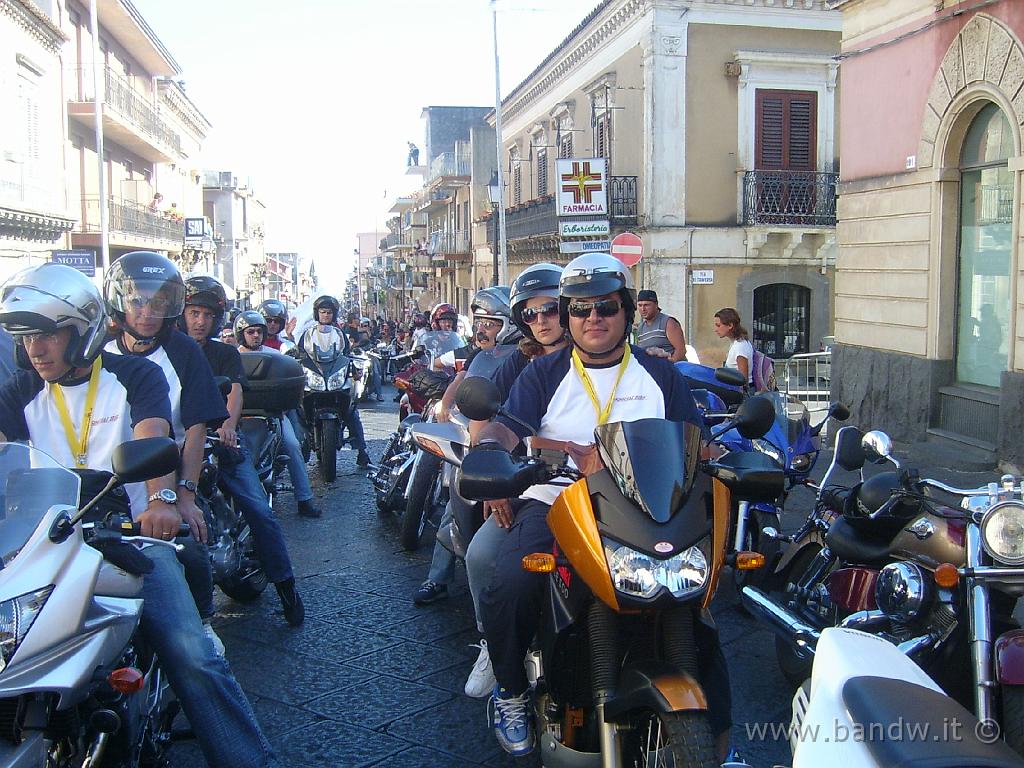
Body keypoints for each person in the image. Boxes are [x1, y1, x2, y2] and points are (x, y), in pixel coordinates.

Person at [0, 263, 280, 768]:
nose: (34, 350)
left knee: (193, 656)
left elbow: (152, 435)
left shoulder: (134, 374)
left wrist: (162, 501)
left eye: (45, 336)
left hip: (122, 539)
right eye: (25, 338)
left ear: (80, 332)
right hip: (39, 548)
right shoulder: (18, 391)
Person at [471, 253, 725, 758]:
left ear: (627, 312)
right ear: (567, 316)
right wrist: (492, 453)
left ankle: (720, 739)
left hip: (651, 511)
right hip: (558, 501)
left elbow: (699, 439)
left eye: (606, 307)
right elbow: (506, 427)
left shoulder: (661, 375)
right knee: (512, 580)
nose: (594, 319)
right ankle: (512, 689)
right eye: (580, 309)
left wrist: (725, 460)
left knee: (700, 609)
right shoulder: (543, 374)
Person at [461, 263, 569, 700]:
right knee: (483, 555)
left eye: (550, 309)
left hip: (601, 485)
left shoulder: (606, 357)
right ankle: (494, 642)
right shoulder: (518, 362)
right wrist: (497, 480)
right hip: (528, 482)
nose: (540, 320)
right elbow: (484, 419)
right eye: (530, 313)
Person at [412, 286, 516, 608]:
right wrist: (445, 406)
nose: (482, 329)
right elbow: (464, 378)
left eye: (491, 323)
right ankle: (438, 577)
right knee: (454, 505)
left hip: (517, 450)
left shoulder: (528, 356)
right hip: (478, 442)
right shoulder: (482, 356)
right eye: (480, 322)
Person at [232, 309, 321, 518]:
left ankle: (304, 498)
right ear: (241, 334)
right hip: (239, 418)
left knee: (291, 445)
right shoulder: (231, 357)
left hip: (272, 416)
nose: (255, 336)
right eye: (250, 332)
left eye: (259, 332)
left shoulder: (275, 357)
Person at [296, 295, 370, 467]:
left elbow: (346, 355)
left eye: (329, 312)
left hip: (335, 378)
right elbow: (300, 353)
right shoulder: (307, 335)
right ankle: (300, 448)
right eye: (323, 312)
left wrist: (354, 366)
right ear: (317, 314)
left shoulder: (340, 334)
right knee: (296, 412)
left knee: (352, 411)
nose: (326, 315)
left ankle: (362, 450)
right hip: (314, 378)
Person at [635, 289, 688, 362]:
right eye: (640, 305)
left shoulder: (668, 322)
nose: (643, 309)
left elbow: (681, 350)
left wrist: (670, 365)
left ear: (656, 305)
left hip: (673, 369)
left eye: (646, 305)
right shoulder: (640, 329)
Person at [714, 307, 754, 384]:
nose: (715, 329)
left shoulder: (740, 346)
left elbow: (743, 378)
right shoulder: (736, 343)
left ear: (730, 325)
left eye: (718, 325)